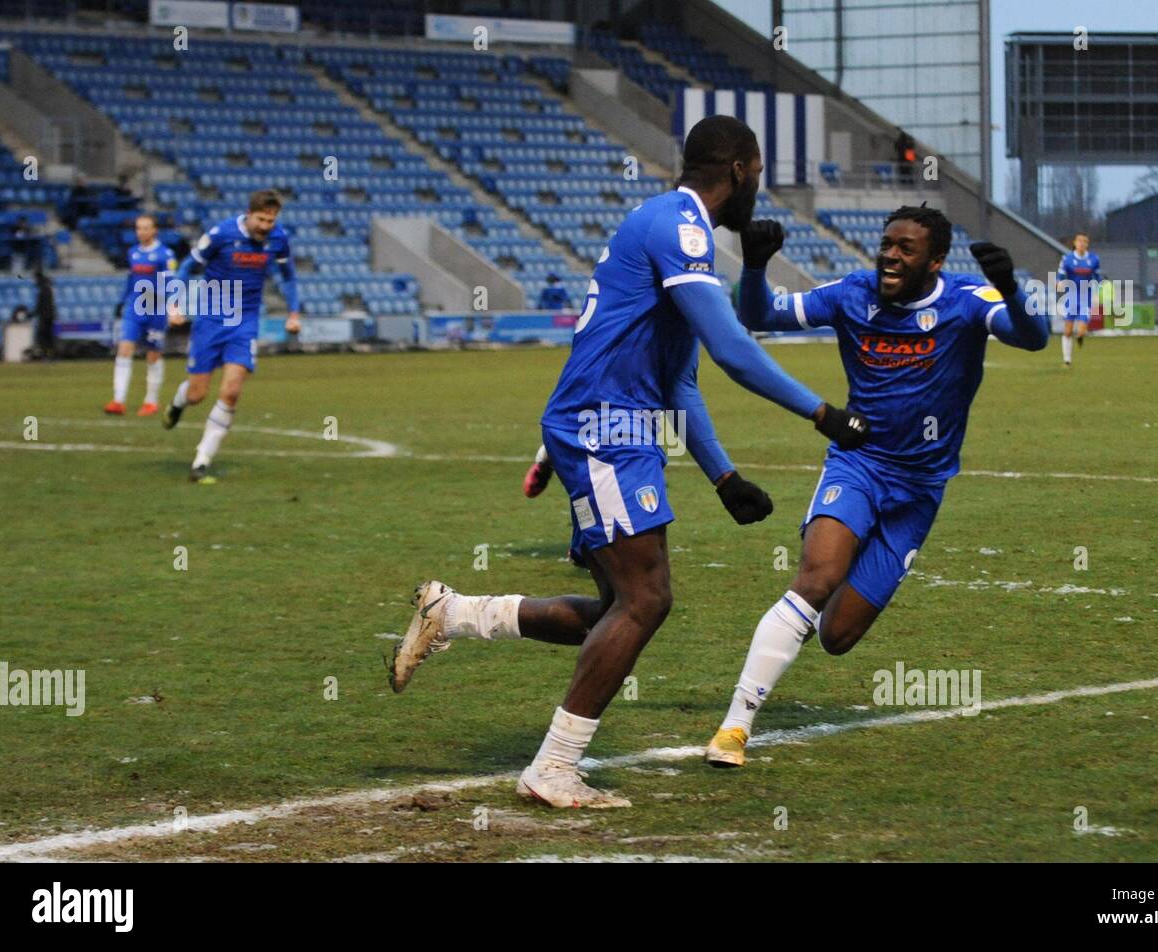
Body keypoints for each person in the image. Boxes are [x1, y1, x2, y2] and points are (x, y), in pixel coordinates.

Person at [388, 115, 869, 808]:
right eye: (757, 174)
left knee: (615, 609)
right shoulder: (680, 226)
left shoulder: (673, 227)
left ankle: (456, 613)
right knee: (646, 600)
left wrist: (723, 476)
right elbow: (733, 350)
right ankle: (551, 768)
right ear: (739, 170)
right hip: (604, 425)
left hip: (617, 425)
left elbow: (680, 382)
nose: (756, 187)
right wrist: (824, 415)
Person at [703, 206, 1049, 767]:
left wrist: (1008, 285)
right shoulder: (850, 294)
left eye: (905, 249)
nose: (889, 254)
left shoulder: (965, 302)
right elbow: (759, 314)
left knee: (838, 635)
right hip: (857, 464)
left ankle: (816, 606)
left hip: (919, 491)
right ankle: (734, 728)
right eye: (886, 243)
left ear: (935, 261)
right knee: (817, 578)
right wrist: (756, 264)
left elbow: (1033, 337)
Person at [163, 190, 300, 483]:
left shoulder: (279, 238)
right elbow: (188, 266)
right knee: (197, 394)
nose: (266, 226)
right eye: (261, 219)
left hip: (245, 322)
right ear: (249, 214)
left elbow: (288, 276)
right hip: (210, 319)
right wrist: (174, 303)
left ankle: (201, 461)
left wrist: (294, 313)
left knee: (232, 391)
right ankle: (177, 403)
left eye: (271, 220)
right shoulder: (220, 234)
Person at [104, 214, 176, 416]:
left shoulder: (165, 255)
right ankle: (118, 400)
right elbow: (131, 279)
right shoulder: (133, 253)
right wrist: (122, 300)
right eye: (138, 228)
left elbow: (170, 283)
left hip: (156, 310)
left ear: (154, 231)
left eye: (145, 228)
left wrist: (172, 306)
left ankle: (151, 401)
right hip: (134, 309)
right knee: (124, 349)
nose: (141, 232)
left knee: (153, 355)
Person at [1056, 232, 1101, 367]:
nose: (1082, 244)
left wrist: (1100, 287)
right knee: (1068, 329)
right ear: (1075, 243)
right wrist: (1059, 282)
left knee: (1081, 329)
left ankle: (1080, 336)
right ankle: (1067, 360)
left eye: (1085, 242)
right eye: (1080, 241)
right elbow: (1061, 275)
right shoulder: (1067, 259)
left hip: (1085, 296)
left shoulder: (1093, 259)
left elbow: (1098, 277)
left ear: (1087, 244)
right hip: (1072, 296)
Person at [33, 266, 57, 360]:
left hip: (45, 317)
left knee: (43, 337)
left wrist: (32, 314)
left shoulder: (44, 289)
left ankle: (46, 355)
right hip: (49, 316)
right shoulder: (47, 287)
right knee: (49, 337)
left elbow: (41, 305)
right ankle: (51, 355)